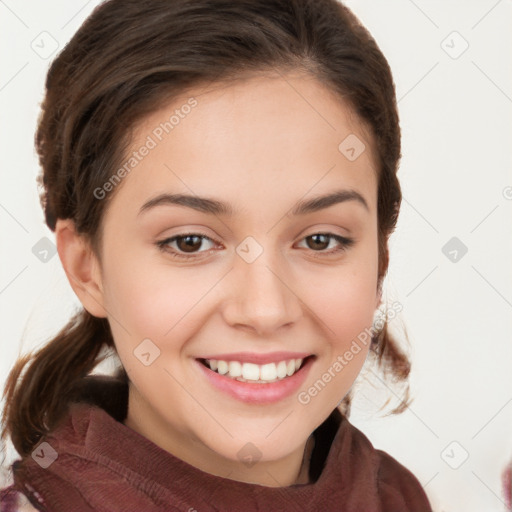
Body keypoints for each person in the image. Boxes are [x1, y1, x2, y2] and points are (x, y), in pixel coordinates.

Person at [0, 0, 433, 510]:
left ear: (379, 261)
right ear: (86, 268)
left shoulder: (400, 498)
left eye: (320, 240)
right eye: (190, 242)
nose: (265, 309)